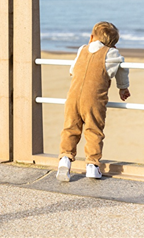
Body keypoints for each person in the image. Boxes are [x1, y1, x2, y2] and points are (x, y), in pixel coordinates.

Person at [56, 21, 131, 181]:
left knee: (70, 129)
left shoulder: (82, 49)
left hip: (73, 98)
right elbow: (122, 68)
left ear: (91, 37)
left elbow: (72, 70)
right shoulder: (111, 53)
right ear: (113, 44)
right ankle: (92, 165)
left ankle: (65, 160)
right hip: (94, 101)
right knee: (93, 131)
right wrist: (123, 87)